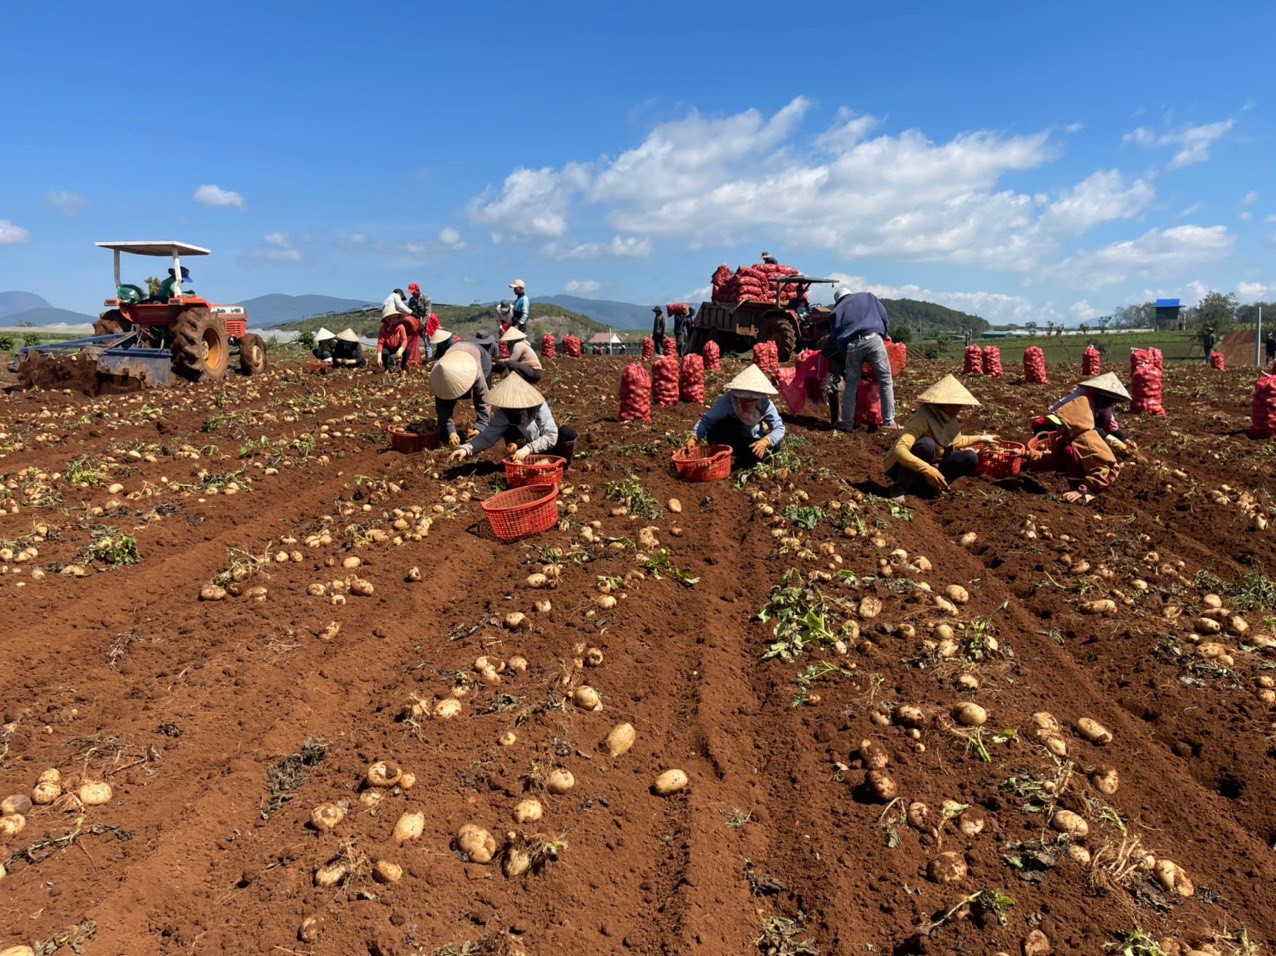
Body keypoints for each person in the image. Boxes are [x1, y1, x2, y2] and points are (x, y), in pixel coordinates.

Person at [883, 375, 995, 502]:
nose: (959, 409)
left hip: (927, 465)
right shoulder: (920, 419)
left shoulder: (947, 418)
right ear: (940, 403)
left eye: (960, 405)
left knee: (970, 457)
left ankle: (931, 487)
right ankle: (900, 487)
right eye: (955, 405)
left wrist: (983, 438)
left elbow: (955, 441)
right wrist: (927, 468)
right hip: (900, 468)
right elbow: (900, 450)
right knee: (927, 445)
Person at [448, 373, 577, 467]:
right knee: (510, 431)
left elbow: (551, 436)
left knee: (567, 433)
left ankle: (561, 465)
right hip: (525, 455)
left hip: (547, 447)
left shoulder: (538, 406)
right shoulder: (504, 414)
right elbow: (487, 437)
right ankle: (521, 465)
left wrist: (528, 448)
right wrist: (465, 449)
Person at [1024, 389, 1124, 505]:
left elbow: (1103, 469)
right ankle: (1075, 487)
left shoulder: (1087, 442)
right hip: (1090, 473)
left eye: (1060, 425)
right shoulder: (1066, 437)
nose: (1056, 428)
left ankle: (1088, 493)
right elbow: (1052, 459)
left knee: (1069, 451)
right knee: (1064, 449)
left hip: (1102, 479)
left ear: (1073, 424)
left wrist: (1086, 489)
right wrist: (1026, 454)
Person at [827, 287, 897, 431]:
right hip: (873, 339)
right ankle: (889, 422)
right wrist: (886, 334)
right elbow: (883, 316)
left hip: (852, 346)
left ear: (838, 301)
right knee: (885, 380)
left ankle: (847, 424)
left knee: (851, 386)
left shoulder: (835, 312)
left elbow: (838, 339)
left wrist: (847, 358)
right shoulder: (868, 297)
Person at [688, 364, 785, 468]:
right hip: (728, 439)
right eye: (744, 398)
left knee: (776, 443)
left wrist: (766, 441)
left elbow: (779, 428)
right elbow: (707, 420)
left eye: (751, 399)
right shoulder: (728, 401)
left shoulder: (765, 404)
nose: (746, 401)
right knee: (730, 424)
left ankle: (747, 458)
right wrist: (695, 437)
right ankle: (726, 453)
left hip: (750, 441)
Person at [1041, 373, 1134, 453]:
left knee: (1101, 420)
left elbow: (1110, 423)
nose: (1108, 404)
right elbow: (1084, 425)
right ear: (1099, 395)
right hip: (1055, 424)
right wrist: (1111, 441)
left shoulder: (1103, 402)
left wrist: (1125, 440)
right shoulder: (1080, 399)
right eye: (1107, 400)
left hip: (1077, 425)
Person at [430, 340, 492, 447]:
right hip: (454, 355)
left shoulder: (476, 371)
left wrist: (480, 426)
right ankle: (445, 431)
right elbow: (442, 407)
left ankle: (482, 429)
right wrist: (451, 432)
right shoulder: (439, 374)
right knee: (446, 400)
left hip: (479, 355)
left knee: (481, 396)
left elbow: (483, 399)